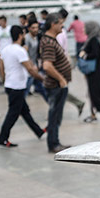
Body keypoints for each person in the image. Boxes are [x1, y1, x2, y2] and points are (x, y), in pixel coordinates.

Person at [0, 26, 45, 148]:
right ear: (19, 35)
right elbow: (30, 69)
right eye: (23, 34)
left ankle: (38, 131)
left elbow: (1, 68)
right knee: (13, 114)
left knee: (25, 111)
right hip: (17, 87)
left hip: (10, 85)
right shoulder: (20, 51)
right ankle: (2, 138)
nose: (24, 36)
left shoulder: (6, 49)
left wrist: (4, 81)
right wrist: (43, 79)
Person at [40, 13, 73, 153]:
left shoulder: (51, 40)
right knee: (54, 116)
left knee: (56, 116)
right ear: (53, 24)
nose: (62, 26)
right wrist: (61, 79)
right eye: (60, 23)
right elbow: (47, 66)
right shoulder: (48, 42)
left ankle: (55, 141)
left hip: (59, 85)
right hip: (56, 86)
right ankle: (53, 144)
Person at [55, 8, 85, 115]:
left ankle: (56, 111)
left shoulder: (60, 32)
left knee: (59, 89)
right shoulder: (62, 30)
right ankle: (76, 104)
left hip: (60, 62)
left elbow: (59, 50)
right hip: (66, 58)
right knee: (60, 88)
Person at [24, 19, 47, 101]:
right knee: (25, 91)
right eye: (33, 28)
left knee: (43, 89)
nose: (35, 30)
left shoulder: (37, 37)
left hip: (35, 67)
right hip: (29, 69)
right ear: (29, 28)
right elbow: (25, 53)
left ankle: (53, 107)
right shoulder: (27, 38)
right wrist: (32, 65)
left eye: (37, 27)